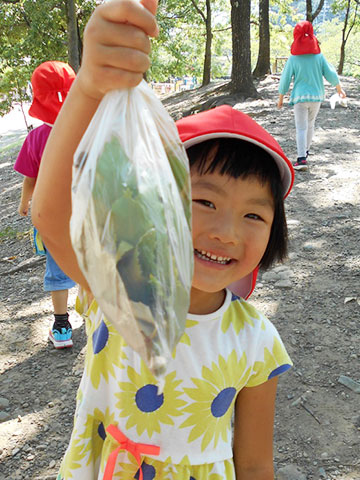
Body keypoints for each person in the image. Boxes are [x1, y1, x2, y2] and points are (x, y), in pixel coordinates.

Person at [32, 1, 295, 478]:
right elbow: (49, 214)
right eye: (205, 202)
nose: (226, 231)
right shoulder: (116, 287)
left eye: (254, 214)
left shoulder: (258, 342)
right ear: (157, 208)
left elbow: (255, 462)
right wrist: (90, 85)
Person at [14, 60, 77, 349]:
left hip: (52, 217)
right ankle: (101, 316)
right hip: (87, 214)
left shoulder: (37, 137)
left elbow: (31, 178)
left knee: (57, 268)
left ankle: (62, 327)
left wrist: (25, 203)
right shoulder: (85, 130)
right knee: (92, 262)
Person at [277, 20, 346, 171]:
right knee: (310, 124)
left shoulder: (294, 58)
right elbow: (331, 73)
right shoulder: (318, 56)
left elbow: (285, 78)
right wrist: (339, 88)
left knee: (301, 128)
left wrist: (281, 98)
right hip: (316, 97)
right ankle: (305, 152)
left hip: (300, 99)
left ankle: (301, 159)